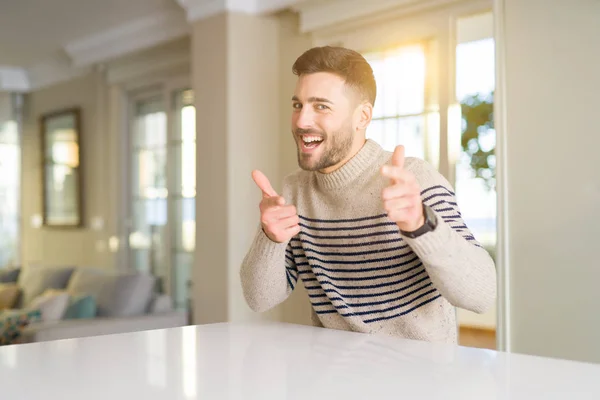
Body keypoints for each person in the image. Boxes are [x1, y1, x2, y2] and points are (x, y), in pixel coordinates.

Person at [240, 46, 496, 343]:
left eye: (321, 106)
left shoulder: (414, 180)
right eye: (298, 105)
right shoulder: (293, 192)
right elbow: (258, 299)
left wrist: (421, 224)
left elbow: (482, 295)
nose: (301, 121)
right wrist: (270, 238)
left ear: (362, 117)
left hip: (419, 381)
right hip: (331, 380)